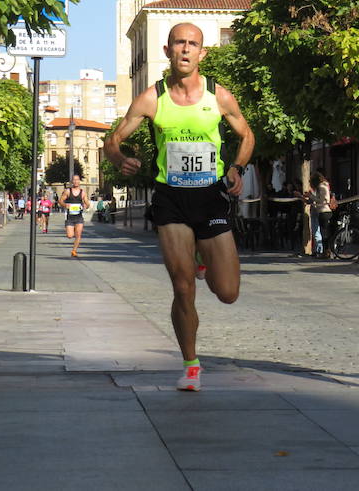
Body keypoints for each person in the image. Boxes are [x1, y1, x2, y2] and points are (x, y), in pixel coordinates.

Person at [103, 22, 254, 392]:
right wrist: (119, 158)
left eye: (193, 44)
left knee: (228, 292)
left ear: (202, 53)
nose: (185, 49)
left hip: (211, 197)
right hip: (170, 197)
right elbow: (114, 138)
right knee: (183, 287)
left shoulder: (219, 96)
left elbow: (247, 135)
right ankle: (190, 364)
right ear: (168, 50)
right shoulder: (151, 98)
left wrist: (236, 167)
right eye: (179, 43)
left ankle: (204, 260)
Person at [59, 175, 90, 257]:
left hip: (79, 217)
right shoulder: (68, 191)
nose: (76, 181)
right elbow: (61, 201)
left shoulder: (82, 192)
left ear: (79, 181)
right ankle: (71, 231)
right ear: (72, 182)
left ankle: (74, 251)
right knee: (70, 236)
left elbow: (87, 203)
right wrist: (65, 205)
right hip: (70, 217)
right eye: (74, 180)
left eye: (77, 180)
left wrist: (85, 206)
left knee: (78, 235)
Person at [308, 171, 335, 258]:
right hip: (325, 211)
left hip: (324, 211)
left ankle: (326, 252)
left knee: (324, 233)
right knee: (325, 232)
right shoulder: (325, 185)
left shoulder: (321, 186)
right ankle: (327, 251)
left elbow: (323, 200)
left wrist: (311, 196)